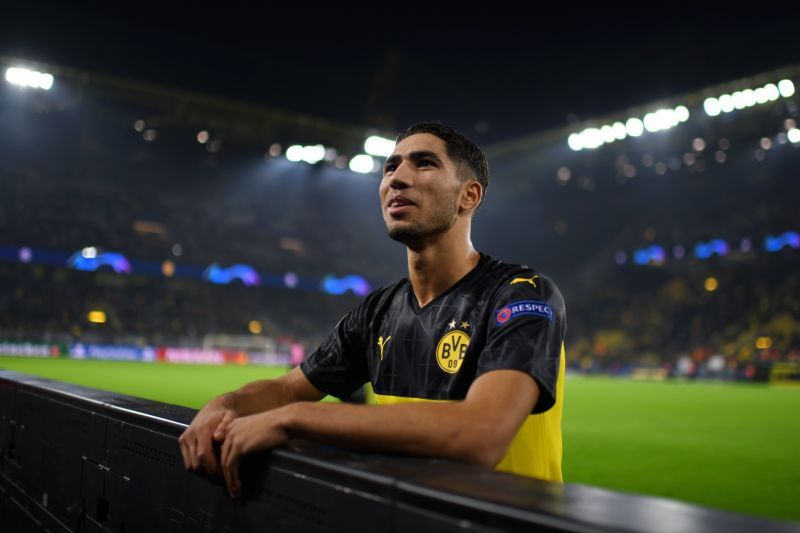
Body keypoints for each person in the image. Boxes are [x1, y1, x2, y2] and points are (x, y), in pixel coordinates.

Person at [179, 121, 567, 499]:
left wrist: (295, 419)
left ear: (469, 196)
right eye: (390, 167)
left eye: (424, 163)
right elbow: (286, 389)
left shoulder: (520, 295)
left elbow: (481, 434)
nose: (396, 178)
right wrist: (225, 404)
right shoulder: (378, 312)